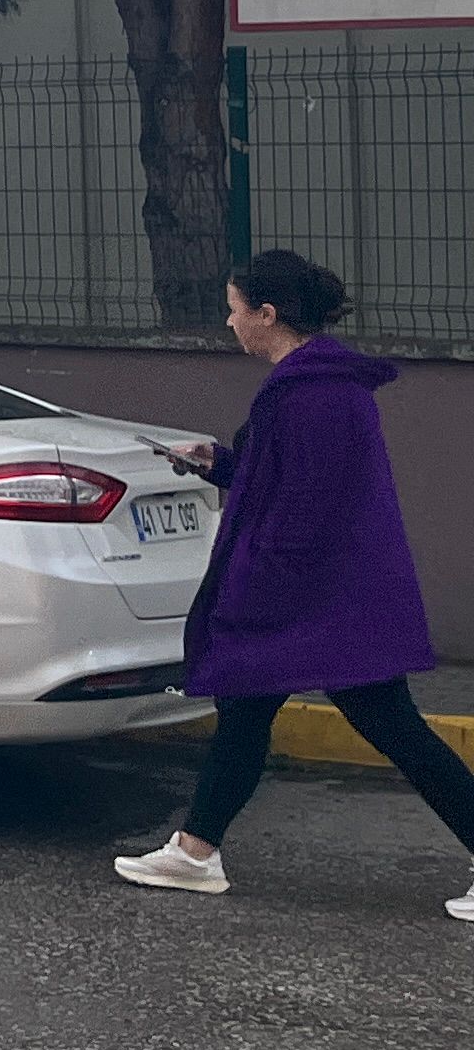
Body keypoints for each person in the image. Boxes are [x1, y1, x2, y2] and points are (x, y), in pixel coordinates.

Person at [115, 250, 474, 913]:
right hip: (324, 594)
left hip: (320, 599)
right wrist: (220, 464)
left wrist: (257, 586)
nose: (229, 323)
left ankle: (195, 852)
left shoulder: (317, 395)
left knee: (392, 727)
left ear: (267, 314)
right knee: (248, 710)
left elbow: (311, 504)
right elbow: (282, 478)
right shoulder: (312, 386)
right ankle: (195, 851)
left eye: (234, 309)